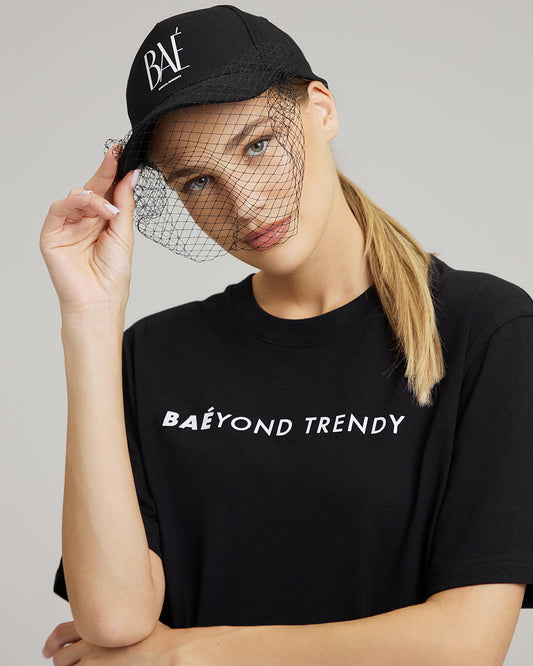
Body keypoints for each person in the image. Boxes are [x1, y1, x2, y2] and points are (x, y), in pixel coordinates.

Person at [40, 4, 533, 664]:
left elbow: (464, 645)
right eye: (197, 181)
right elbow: (111, 617)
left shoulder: (486, 330)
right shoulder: (152, 356)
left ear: (320, 110)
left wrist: (183, 655)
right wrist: (90, 321)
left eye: (256, 145)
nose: (243, 204)